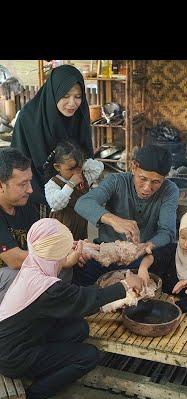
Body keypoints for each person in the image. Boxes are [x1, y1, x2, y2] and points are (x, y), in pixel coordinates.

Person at [0, 218, 144, 399]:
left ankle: (41, 373)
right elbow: (86, 299)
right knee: (88, 356)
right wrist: (125, 285)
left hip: (16, 340)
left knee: (79, 328)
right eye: (65, 250)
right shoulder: (47, 288)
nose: (68, 254)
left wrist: (72, 254)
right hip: (13, 357)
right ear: (56, 253)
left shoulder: (33, 264)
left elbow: (76, 298)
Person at [73, 144, 179, 286]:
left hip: (142, 256)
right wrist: (113, 220)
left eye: (156, 182)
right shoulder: (116, 181)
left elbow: (167, 232)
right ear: (134, 167)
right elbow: (83, 203)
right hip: (107, 253)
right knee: (80, 269)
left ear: (164, 178)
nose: (147, 188)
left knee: (164, 271)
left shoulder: (170, 190)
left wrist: (146, 246)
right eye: (143, 178)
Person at [11, 65, 93, 213]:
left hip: (73, 192)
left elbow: (86, 152)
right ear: (54, 93)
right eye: (65, 96)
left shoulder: (79, 115)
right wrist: (44, 195)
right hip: (35, 195)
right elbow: (19, 160)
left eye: (78, 96)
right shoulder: (28, 118)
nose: (72, 103)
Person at [137, 208, 187, 313]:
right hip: (159, 293)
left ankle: (175, 307)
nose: (186, 244)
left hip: (182, 301)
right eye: (183, 237)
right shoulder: (173, 250)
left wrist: (174, 306)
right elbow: (153, 256)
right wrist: (143, 268)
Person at [0, 148, 40, 303]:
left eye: (29, 181)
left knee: (64, 269)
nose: (30, 189)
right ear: (1, 185)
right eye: (23, 184)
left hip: (18, 274)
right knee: (18, 276)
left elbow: (41, 242)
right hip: (8, 275)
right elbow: (14, 260)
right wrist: (59, 258)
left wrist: (66, 248)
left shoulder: (25, 203)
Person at [44, 140, 104, 240]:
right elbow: (56, 204)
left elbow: (98, 167)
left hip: (81, 227)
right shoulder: (53, 184)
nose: (76, 173)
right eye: (71, 169)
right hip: (60, 231)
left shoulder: (84, 177)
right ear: (57, 167)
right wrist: (70, 184)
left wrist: (81, 164)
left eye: (79, 168)